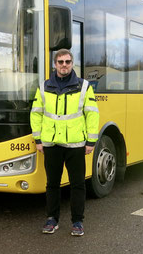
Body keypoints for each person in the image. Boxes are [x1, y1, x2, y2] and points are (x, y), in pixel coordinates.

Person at [30, 49, 100, 236]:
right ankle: (52, 219)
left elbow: (92, 114)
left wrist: (91, 142)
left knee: (77, 185)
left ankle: (77, 222)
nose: (64, 65)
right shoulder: (44, 86)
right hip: (51, 144)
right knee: (52, 184)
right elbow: (36, 113)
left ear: (72, 63)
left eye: (67, 62)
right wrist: (38, 139)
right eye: (60, 62)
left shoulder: (84, 86)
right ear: (55, 64)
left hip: (75, 145)